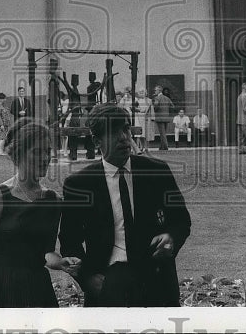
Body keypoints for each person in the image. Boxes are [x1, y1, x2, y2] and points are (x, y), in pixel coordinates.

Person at [59, 103, 192, 306]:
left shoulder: (157, 172)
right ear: (97, 141)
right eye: (114, 132)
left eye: (126, 128)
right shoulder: (79, 184)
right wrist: (87, 279)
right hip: (108, 285)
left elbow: (181, 220)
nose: (123, 137)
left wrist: (171, 239)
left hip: (157, 282)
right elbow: (70, 242)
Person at [0, 118, 80, 307]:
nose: (45, 158)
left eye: (47, 152)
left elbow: (46, 253)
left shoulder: (52, 200)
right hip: (2, 289)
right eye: (37, 152)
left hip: (38, 290)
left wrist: (61, 262)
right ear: (19, 154)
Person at [151, 86, 174, 151]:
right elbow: (172, 106)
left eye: (155, 90)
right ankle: (162, 147)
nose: (155, 91)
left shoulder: (157, 98)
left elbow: (156, 105)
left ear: (159, 91)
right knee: (163, 133)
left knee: (162, 133)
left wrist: (155, 110)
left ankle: (166, 147)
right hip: (166, 117)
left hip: (159, 118)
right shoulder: (167, 98)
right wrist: (167, 112)